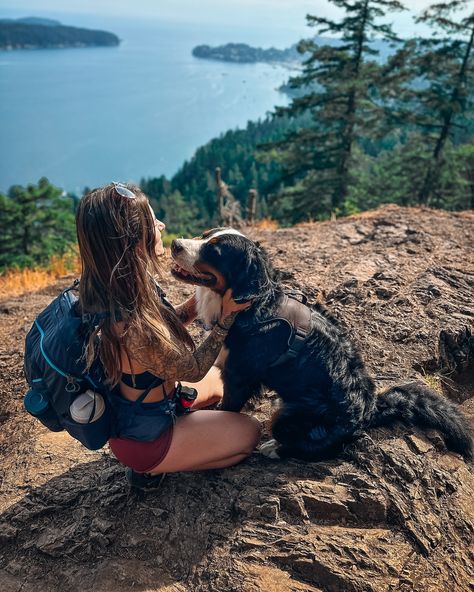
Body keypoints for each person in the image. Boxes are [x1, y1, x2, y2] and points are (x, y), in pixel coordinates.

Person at [75, 182, 261, 482]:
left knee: (222, 380)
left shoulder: (118, 286)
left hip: (147, 406)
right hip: (147, 440)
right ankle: (153, 468)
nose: (161, 225)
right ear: (135, 240)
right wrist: (226, 318)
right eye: (153, 222)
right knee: (250, 432)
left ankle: (187, 432)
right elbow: (193, 369)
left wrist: (200, 296)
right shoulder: (131, 322)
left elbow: (165, 326)